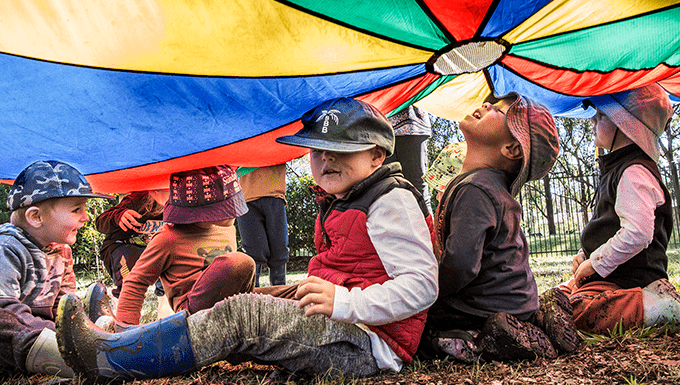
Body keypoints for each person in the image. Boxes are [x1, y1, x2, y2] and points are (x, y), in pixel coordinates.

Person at [56, 96, 438, 380]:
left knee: (245, 314)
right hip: (347, 323)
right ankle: (128, 336)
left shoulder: (390, 201)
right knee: (248, 299)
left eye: (339, 150)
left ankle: (111, 359)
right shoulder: (346, 199)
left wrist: (346, 301)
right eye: (317, 152)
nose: (326, 161)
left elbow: (422, 285)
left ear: (376, 156)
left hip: (371, 343)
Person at [426, 92, 579, 362]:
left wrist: (426, 292)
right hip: (515, 302)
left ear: (511, 149)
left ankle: (483, 340)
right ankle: (539, 316)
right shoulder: (486, 185)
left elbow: (461, 265)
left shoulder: (475, 189)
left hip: (482, 307)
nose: (485, 104)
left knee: (423, 331)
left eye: (497, 110)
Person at [0, 160, 113, 381]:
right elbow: (6, 310)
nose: (86, 216)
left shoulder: (62, 252)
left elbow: (61, 309)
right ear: (36, 217)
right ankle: (88, 363)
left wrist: (73, 326)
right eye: (76, 209)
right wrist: (67, 335)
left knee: (76, 312)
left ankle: (107, 344)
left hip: (27, 351)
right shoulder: (4, 249)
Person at [558, 84, 680, 334]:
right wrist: (585, 253)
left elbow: (637, 233)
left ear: (626, 123)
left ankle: (658, 307)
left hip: (633, 280)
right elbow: (609, 226)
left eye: (602, 115)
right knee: (553, 301)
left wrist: (595, 263)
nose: (593, 120)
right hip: (610, 277)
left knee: (577, 311)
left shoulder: (634, 171)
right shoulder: (617, 168)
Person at [112, 165, 256, 325]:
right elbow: (136, 281)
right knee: (240, 263)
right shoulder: (168, 237)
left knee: (288, 294)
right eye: (227, 207)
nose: (235, 212)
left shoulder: (227, 229)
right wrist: (125, 331)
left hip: (233, 303)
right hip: (194, 313)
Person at [94, 188, 169, 298]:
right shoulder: (139, 199)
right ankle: (125, 296)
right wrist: (118, 216)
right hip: (118, 247)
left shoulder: (178, 206)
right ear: (155, 191)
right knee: (132, 256)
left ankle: (164, 290)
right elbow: (100, 222)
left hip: (151, 252)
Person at [237, 163, 290, 287]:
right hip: (246, 199)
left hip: (275, 195)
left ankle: (280, 293)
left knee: (279, 249)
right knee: (253, 251)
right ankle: (252, 294)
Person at [387, 105, 433, 207]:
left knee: (417, 187)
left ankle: (427, 222)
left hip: (413, 126)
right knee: (387, 188)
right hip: (383, 128)